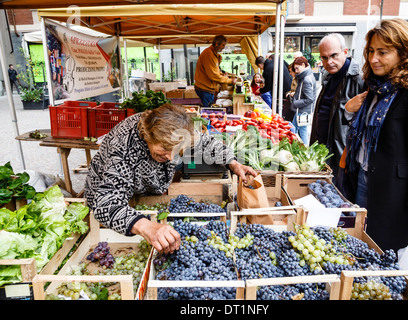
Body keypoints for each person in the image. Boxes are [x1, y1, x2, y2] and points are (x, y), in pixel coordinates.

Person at [84, 103, 257, 254]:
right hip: (107, 198)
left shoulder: (177, 131)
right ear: (147, 136)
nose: (171, 157)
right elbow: (106, 203)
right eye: (165, 149)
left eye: (177, 150)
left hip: (141, 189)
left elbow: (205, 142)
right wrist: (145, 226)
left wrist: (233, 163)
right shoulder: (122, 147)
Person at [342, 18, 408, 252]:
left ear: (404, 52)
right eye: (371, 51)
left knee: (380, 250)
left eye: (383, 52)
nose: (373, 58)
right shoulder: (375, 87)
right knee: (358, 245)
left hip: (391, 193)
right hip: (362, 179)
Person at [309, 33, 365, 180]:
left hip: (341, 155)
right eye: (324, 57)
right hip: (322, 151)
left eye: (334, 55)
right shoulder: (328, 77)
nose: (329, 61)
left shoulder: (358, 79)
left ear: (345, 52)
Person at [194, 35, 236, 107]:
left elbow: (215, 70)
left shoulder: (213, 54)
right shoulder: (209, 54)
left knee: (209, 109)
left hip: (207, 88)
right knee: (208, 111)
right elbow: (213, 75)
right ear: (216, 43)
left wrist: (222, 74)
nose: (223, 47)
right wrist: (230, 81)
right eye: (222, 45)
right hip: (205, 89)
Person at [288, 56, 317, 145]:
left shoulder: (306, 79)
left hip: (302, 110)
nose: (296, 71)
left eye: (297, 68)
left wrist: (295, 102)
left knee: (299, 131)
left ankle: (304, 152)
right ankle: (302, 150)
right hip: (302, 110)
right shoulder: (306, 76)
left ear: (303, 65)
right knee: (295, 130)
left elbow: (309, 99)